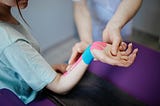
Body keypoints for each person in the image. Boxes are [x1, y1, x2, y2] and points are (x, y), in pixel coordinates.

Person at [0, 0, 138, 104]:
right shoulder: (11, 41)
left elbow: (10, 66)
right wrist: (90, 50)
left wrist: (44, 70)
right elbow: (61, 86)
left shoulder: (6, 27)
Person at [68, 0, 142, 66]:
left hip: (123, 14)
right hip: (96, 17)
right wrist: (86, 42)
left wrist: (114, 26)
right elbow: (80, 6)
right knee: (99, 56)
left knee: (120, 48)